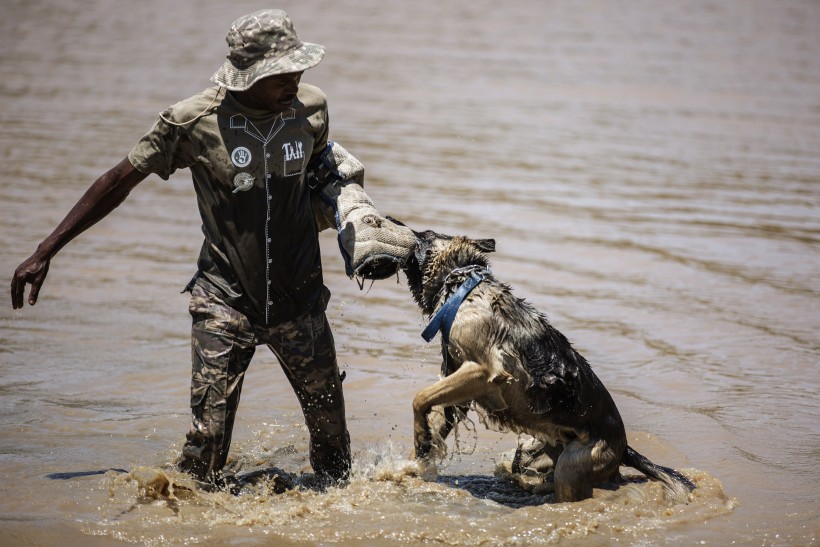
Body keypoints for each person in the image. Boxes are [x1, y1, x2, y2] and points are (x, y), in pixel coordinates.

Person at [10, 9, 415, 487]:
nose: (297, 78)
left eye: (299, 68)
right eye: (283, 72)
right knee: (204, 455)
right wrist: (46, 249)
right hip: (225, 301)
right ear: (251, 74)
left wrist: (357, 214)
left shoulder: (311, 108)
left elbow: (326, 176)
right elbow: (119, 180)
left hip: (301, 302)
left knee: (334, 450)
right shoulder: (193, 122)